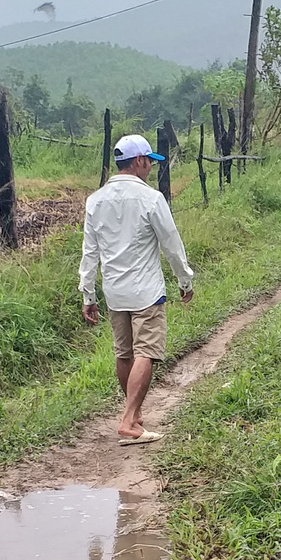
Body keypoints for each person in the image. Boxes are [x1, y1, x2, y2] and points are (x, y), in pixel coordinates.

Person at [79, 134, 194, 445]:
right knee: (147, 352)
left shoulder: (96, 200)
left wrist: (88, 294)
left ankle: (135, 414)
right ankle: (129, 420)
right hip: (146, 291)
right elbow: (172, 245)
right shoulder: (151, 199)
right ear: (141, 161)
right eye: (149, 162)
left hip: (114, 291)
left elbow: (90, 251)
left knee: (125, 353)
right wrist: (185, 280)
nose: (151, 169)